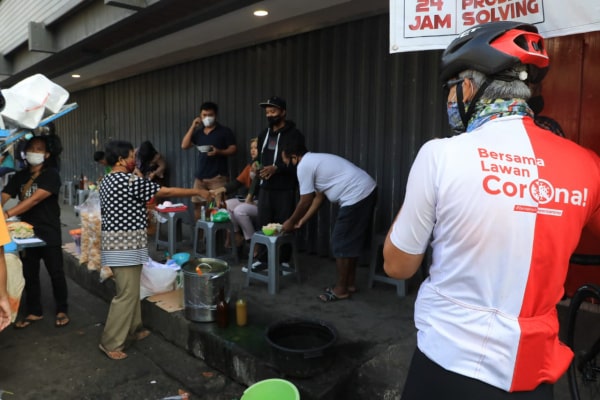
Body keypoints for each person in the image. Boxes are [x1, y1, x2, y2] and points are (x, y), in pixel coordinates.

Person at [383, 21, 600, 399]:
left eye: (451, 91)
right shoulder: (587, 164)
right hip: (536, 373)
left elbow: (398, 266)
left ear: (468, 88)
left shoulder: (441, 155)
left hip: (448, 366)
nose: (451, 101)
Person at [98, 140, 212, 360]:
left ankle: (134, 328)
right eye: (131, 155)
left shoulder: (107, 180)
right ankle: (111, 342)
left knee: (132, 289)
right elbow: (165, 191)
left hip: (118, 244)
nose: (134, 160)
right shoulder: (129, 180)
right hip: (125, 246)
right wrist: (197, 192)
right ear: (121, 159)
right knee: (126, 294)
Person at [280, 141, 376, 301]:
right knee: (349, 242)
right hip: (366, 190)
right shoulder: (314, 162)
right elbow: (318, 198)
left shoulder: (304, 166)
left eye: (286, 161)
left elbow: (305, 200)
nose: (286, 165)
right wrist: (302, 220)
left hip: (357, 195)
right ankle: (348, 284)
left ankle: (341, 290)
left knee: (340, 242)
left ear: (295, 157)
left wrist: (290, 222)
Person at [2, 135, 70, 329]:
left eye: (39, 149)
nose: (34, 152)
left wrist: (5, 214)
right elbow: (5, 194)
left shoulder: (51, 175)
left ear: (47, 154)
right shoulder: (20, 175)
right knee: (29, 273)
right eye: (31, 148)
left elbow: (34, 200)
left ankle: (62, 309)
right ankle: (34, 311)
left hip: (49, 230)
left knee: (56, 272)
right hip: (26, 233)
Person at [254, 96, 305, 267]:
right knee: (264, 224)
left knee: (283, 226)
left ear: (283, 112)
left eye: (273, 111)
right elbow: (260, 158)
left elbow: (300, 162)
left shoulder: (294, 135)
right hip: (266, 188)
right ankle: (263, 260)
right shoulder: (263, 135)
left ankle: (283, 260)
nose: (269, 115)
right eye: (267, 112)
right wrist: (257, 166)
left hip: (285, 188)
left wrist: (278, 168)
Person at [181, 101, 237, 221]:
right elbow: (184, 145)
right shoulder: (199, 133)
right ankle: (200, 237)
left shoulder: (224, 131)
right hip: (200, 177)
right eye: (204, 115)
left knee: (221, 208)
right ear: (200, 116)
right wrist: (193, 126)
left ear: (215, 115)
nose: (207, 118)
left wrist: (219, 152)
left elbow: (233, 149)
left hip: (218, 177)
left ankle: (222, 238)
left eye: (210, 115)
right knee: (197, 206)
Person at [210, 138, 260, 249]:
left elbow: (256, 184)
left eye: (256, 148)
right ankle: (237, 235)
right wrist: (220, 190)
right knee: (225, 206)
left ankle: (254, 243)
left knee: (239, 211)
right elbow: (236, 183)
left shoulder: (264, 166)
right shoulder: (250, 167)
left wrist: (249, 196)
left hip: (260, 202)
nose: (252, 150)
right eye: (251, 148)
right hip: (247, 201)